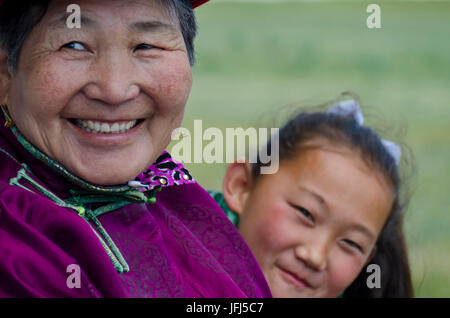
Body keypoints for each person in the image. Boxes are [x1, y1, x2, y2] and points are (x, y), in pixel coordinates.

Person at [0, 0, 272, 298]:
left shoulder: (168, 187)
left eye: (145, 46)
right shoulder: (13, 247)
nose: (115, 90)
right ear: (5, 74)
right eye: (74, 46)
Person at [209, 99, 413, 297]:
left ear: (367, 259)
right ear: (242, 187)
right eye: (305, 213)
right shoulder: (180, 261)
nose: (316, 256)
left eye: (351, 243)